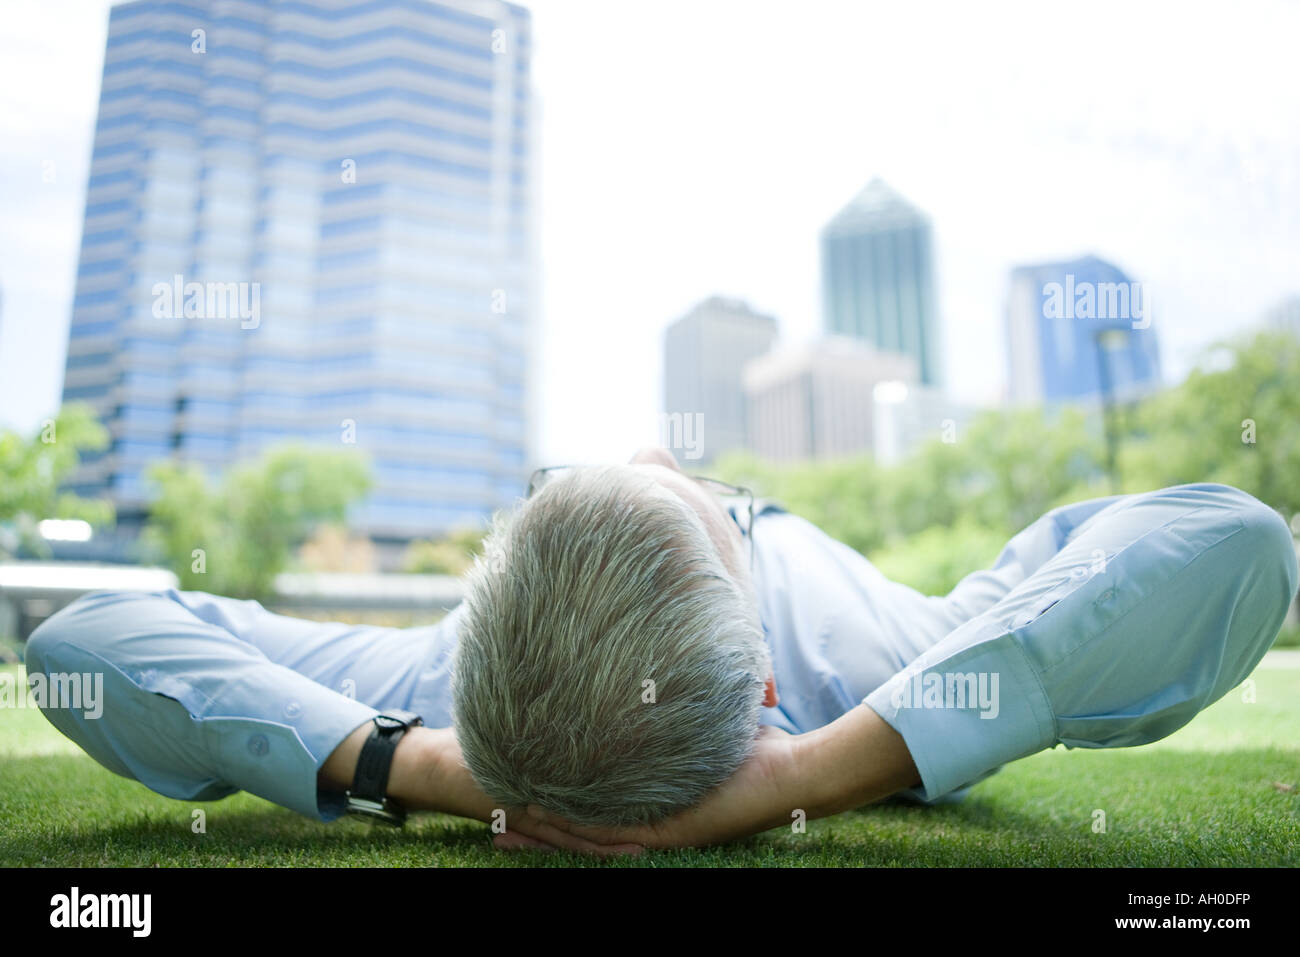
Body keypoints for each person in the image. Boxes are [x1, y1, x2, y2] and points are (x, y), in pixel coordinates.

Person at [24, 447, 1298, 856]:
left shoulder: (420, 686)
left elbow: (89, 639)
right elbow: (1230, 538)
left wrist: (405, 764)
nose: (643, 453)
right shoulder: (890, 662)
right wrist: (805, 773)